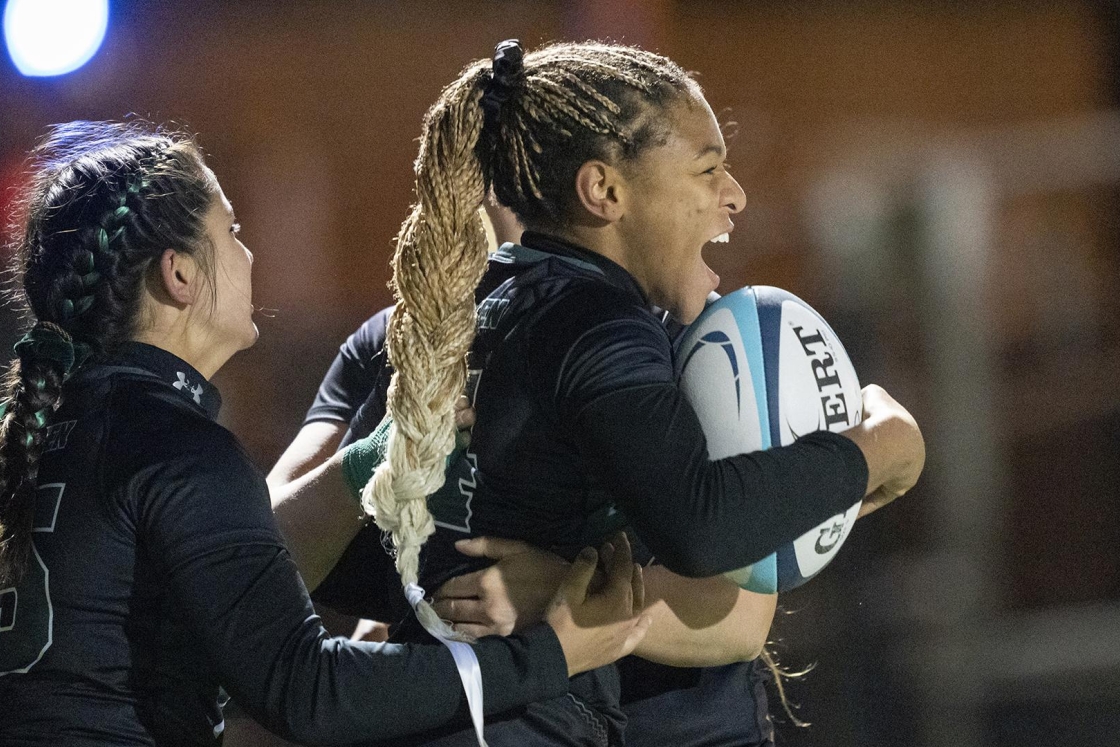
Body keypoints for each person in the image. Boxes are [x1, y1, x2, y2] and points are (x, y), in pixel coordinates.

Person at [276, 39, 924, 746]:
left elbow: (741, 607)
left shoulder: (472, 321)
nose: (735, 195)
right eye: (708, 170)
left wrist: (516, 589)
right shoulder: (592, 326)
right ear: (602, 190)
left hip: (508, 713)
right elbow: (706, 527)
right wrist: (874, 448)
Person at [0, 120, 652, 746]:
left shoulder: (39, 437)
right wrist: (552, 654)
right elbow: (308, 692)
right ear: (179, 274)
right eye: (230, 230)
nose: (247, 251)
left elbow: (129, 663)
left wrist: (372, 463)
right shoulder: (180, 451)